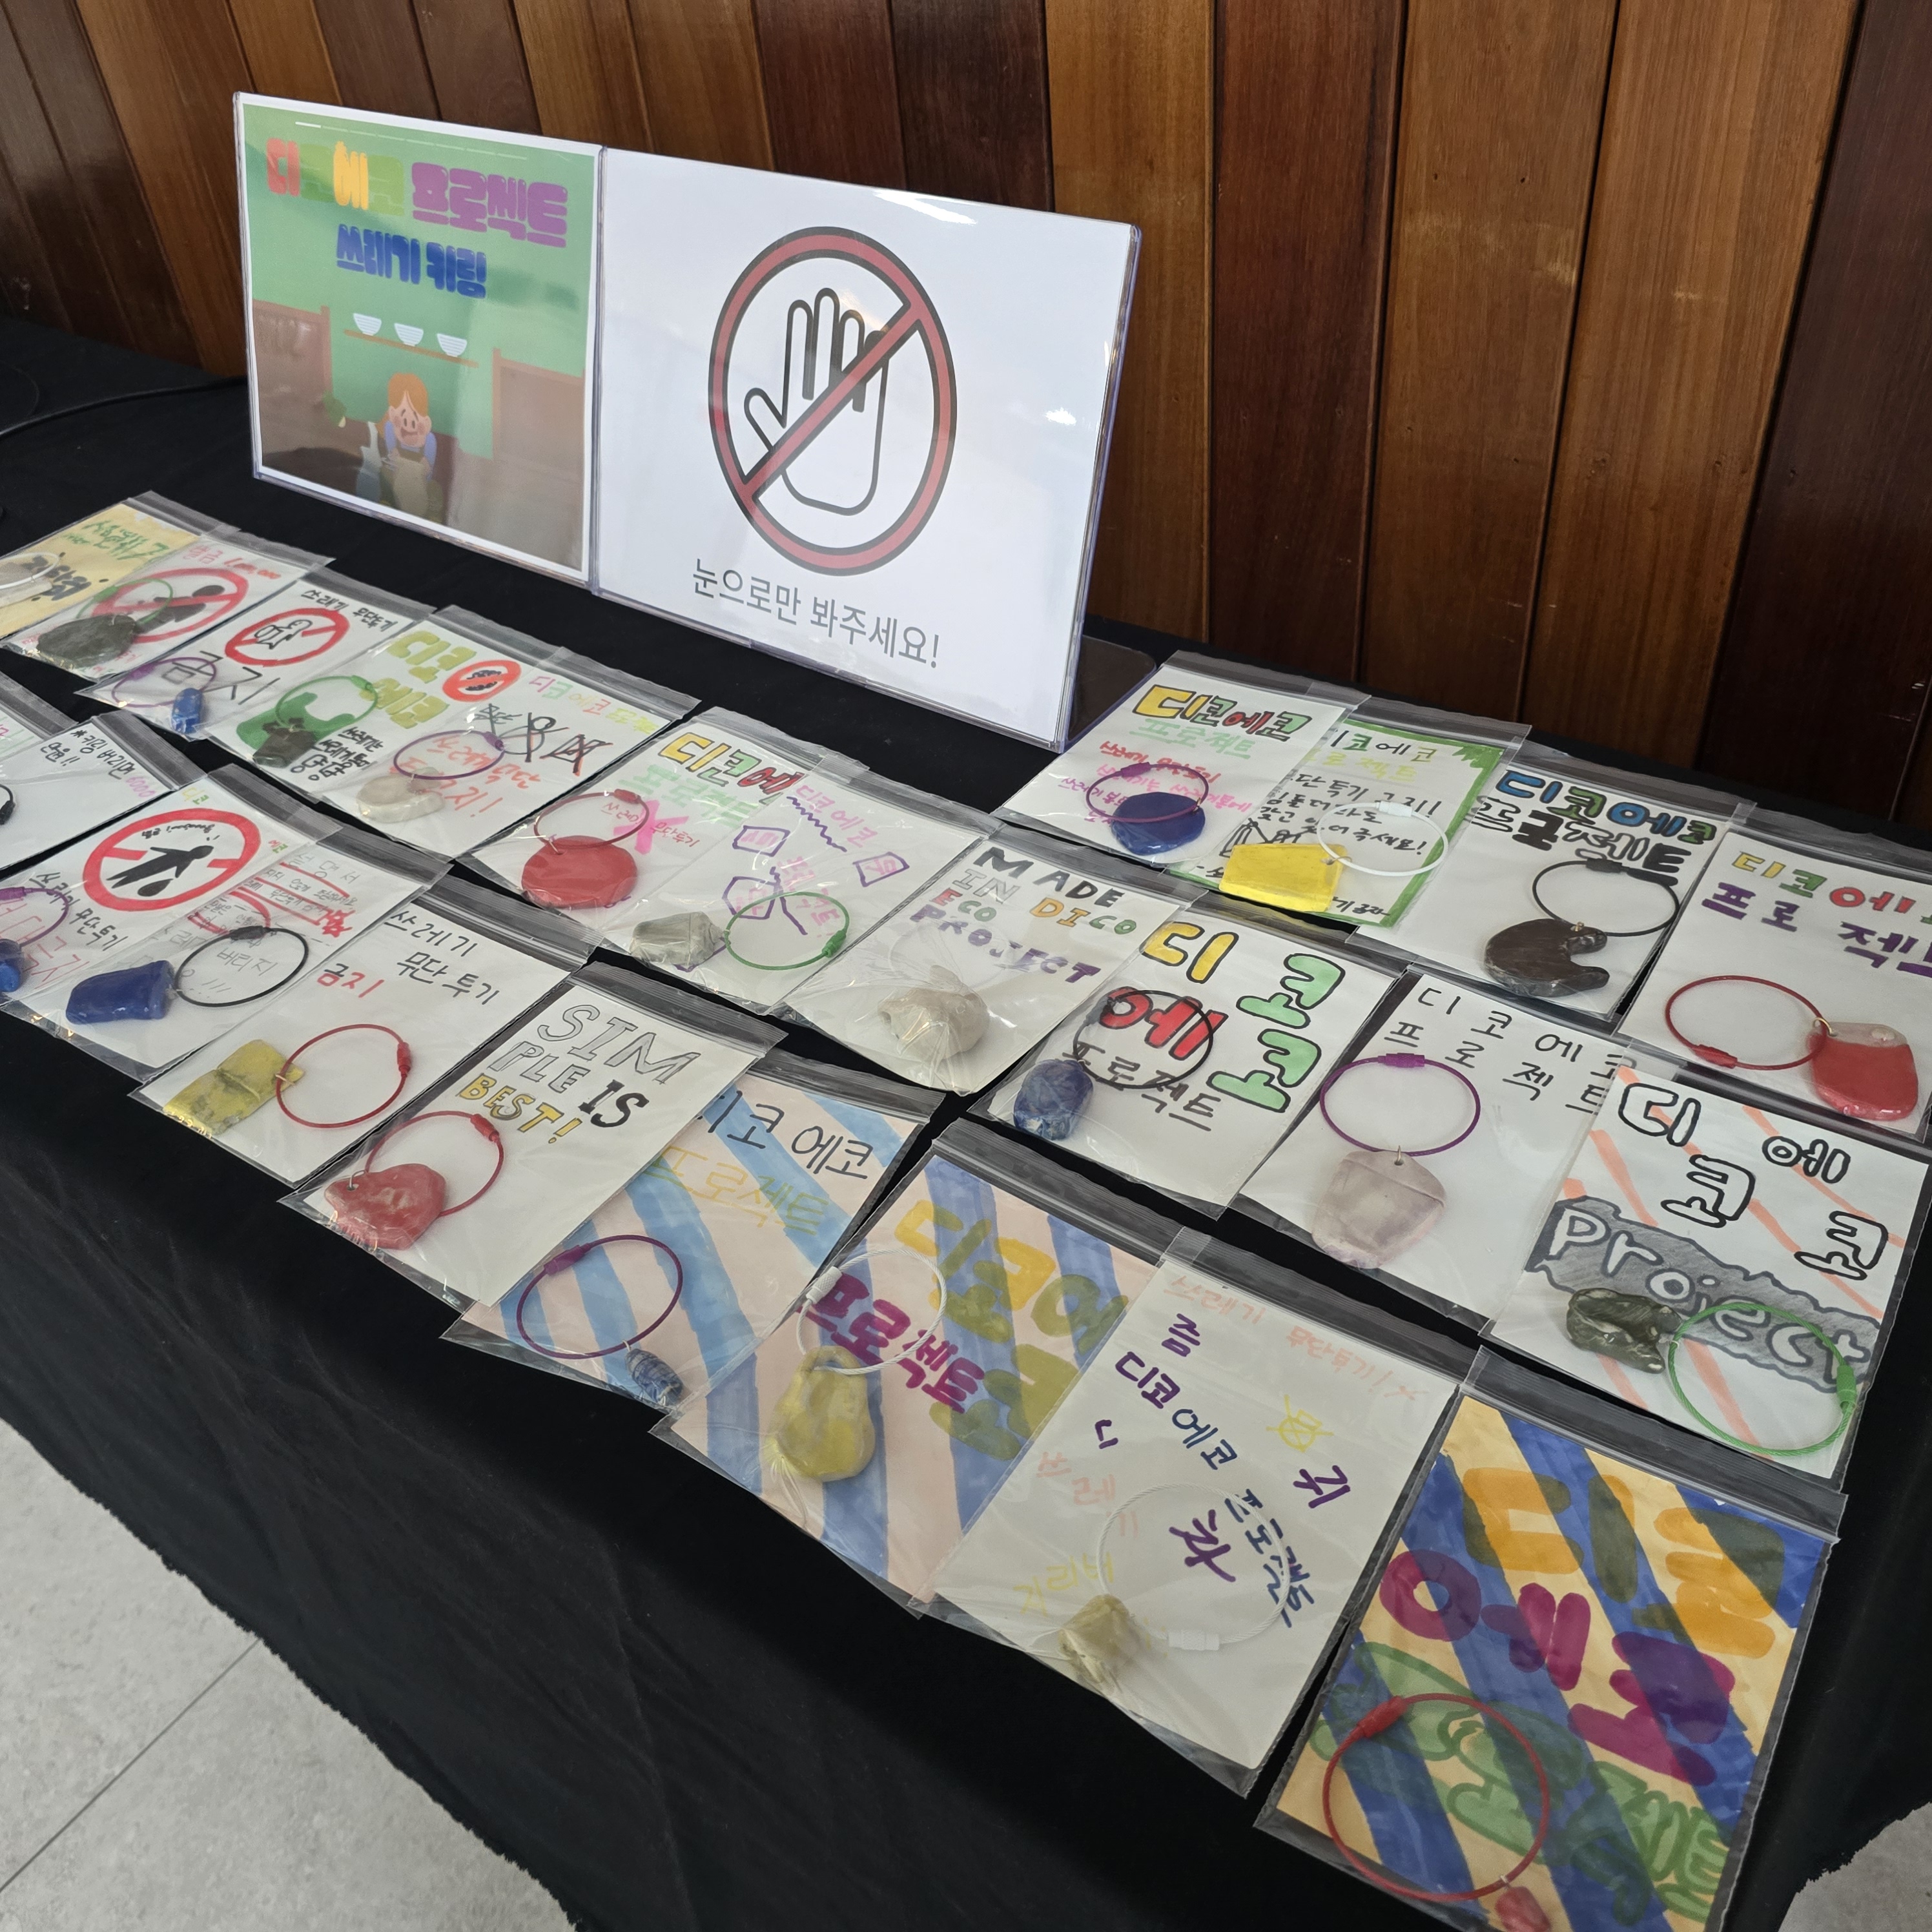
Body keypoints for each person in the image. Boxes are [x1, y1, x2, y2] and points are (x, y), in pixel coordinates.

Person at [378, 373, 446, 524]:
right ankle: (387, 500)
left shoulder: (430, 441)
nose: (409, 425)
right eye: (402, 417)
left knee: (435, 489)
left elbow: (428, 474)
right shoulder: (390, 429)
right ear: (393, 415)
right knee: (383, 473)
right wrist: (394, 460)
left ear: (426, 423)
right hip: (398, 476)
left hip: (420, 482)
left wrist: (425, 469)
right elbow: (390, 457)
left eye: (415, 420)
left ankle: (433, 515)